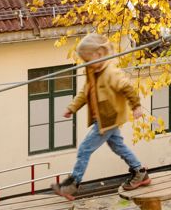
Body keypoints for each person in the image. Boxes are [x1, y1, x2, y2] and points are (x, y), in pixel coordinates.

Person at [51, 33, 152, 199]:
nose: (86, 63)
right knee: (118, 146)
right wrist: (72, 108)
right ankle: (140, 172)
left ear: (98, 54)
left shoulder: (111, 72)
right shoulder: (93, 71)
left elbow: (127, 87)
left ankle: (73, 184)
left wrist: (136, 106)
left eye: (88, 59)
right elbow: (85, 92)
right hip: (103, 119)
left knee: (84, 149)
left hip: (109, 119)